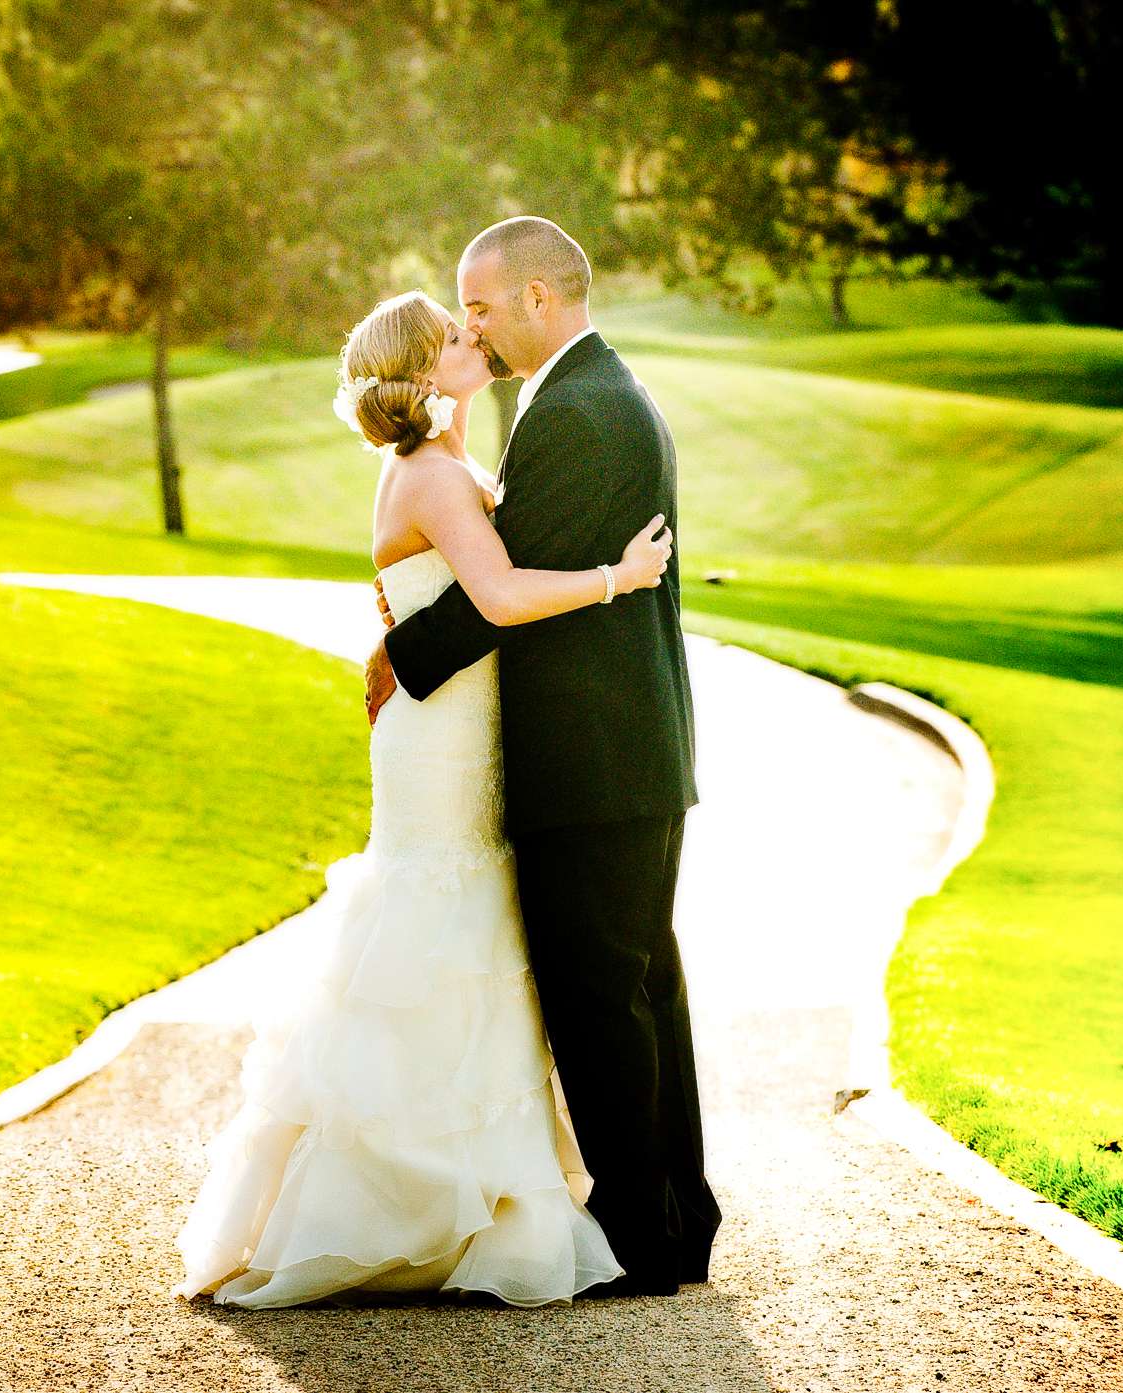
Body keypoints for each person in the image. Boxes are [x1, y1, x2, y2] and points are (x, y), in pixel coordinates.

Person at [170, 282, 675, 1308]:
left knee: (468, 923)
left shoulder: (441, 465)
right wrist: (619, 577)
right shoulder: (435, 476)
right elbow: (497, 596)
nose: (472, 336)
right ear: (420, 369)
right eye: (453, 334)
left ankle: (470, 1192)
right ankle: (401, 1201)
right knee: (432, 917)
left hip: (455, 718)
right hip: (438, 736)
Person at [370, 216, 721, 1296]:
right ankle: (675, 1215)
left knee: (599, 994)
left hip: (595, 754)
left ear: (536, 299)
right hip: (623, 749)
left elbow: (508, 580)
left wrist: (400, 647)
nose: (468, 323)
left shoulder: (578, 410)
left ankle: (641, 1230)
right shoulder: (587, 393)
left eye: (479, 305)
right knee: (637, 981)